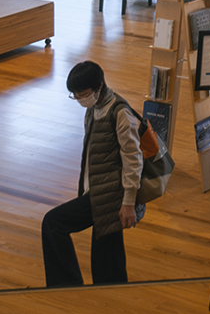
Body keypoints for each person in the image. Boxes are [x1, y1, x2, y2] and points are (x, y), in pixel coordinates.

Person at [40, 60, 141, 287]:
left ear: (99, 87)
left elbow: (133, 159)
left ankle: (67, 286)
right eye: (75, 95)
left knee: (54, 223)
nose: (80, 99)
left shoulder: (120, 112)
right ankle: (75, 288)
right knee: (108, 264)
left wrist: (128, 203)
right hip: (95, 194)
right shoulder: (93, 109)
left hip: (111, 197)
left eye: (83, 94)